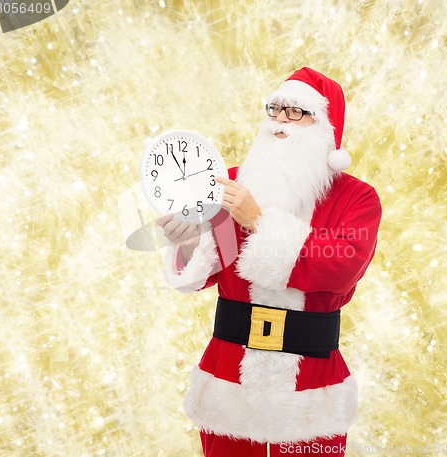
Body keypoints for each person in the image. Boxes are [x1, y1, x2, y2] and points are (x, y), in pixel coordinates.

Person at [157, 67, 382, 457]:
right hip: (229, 381)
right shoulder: (229, 185)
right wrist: (190, 243)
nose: (280, 119)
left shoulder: (357, 199)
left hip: (311, 387)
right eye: (275, 108)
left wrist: (259, 221)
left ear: (326, 127)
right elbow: (208, 268)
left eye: (296, 112)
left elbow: (343, 267)